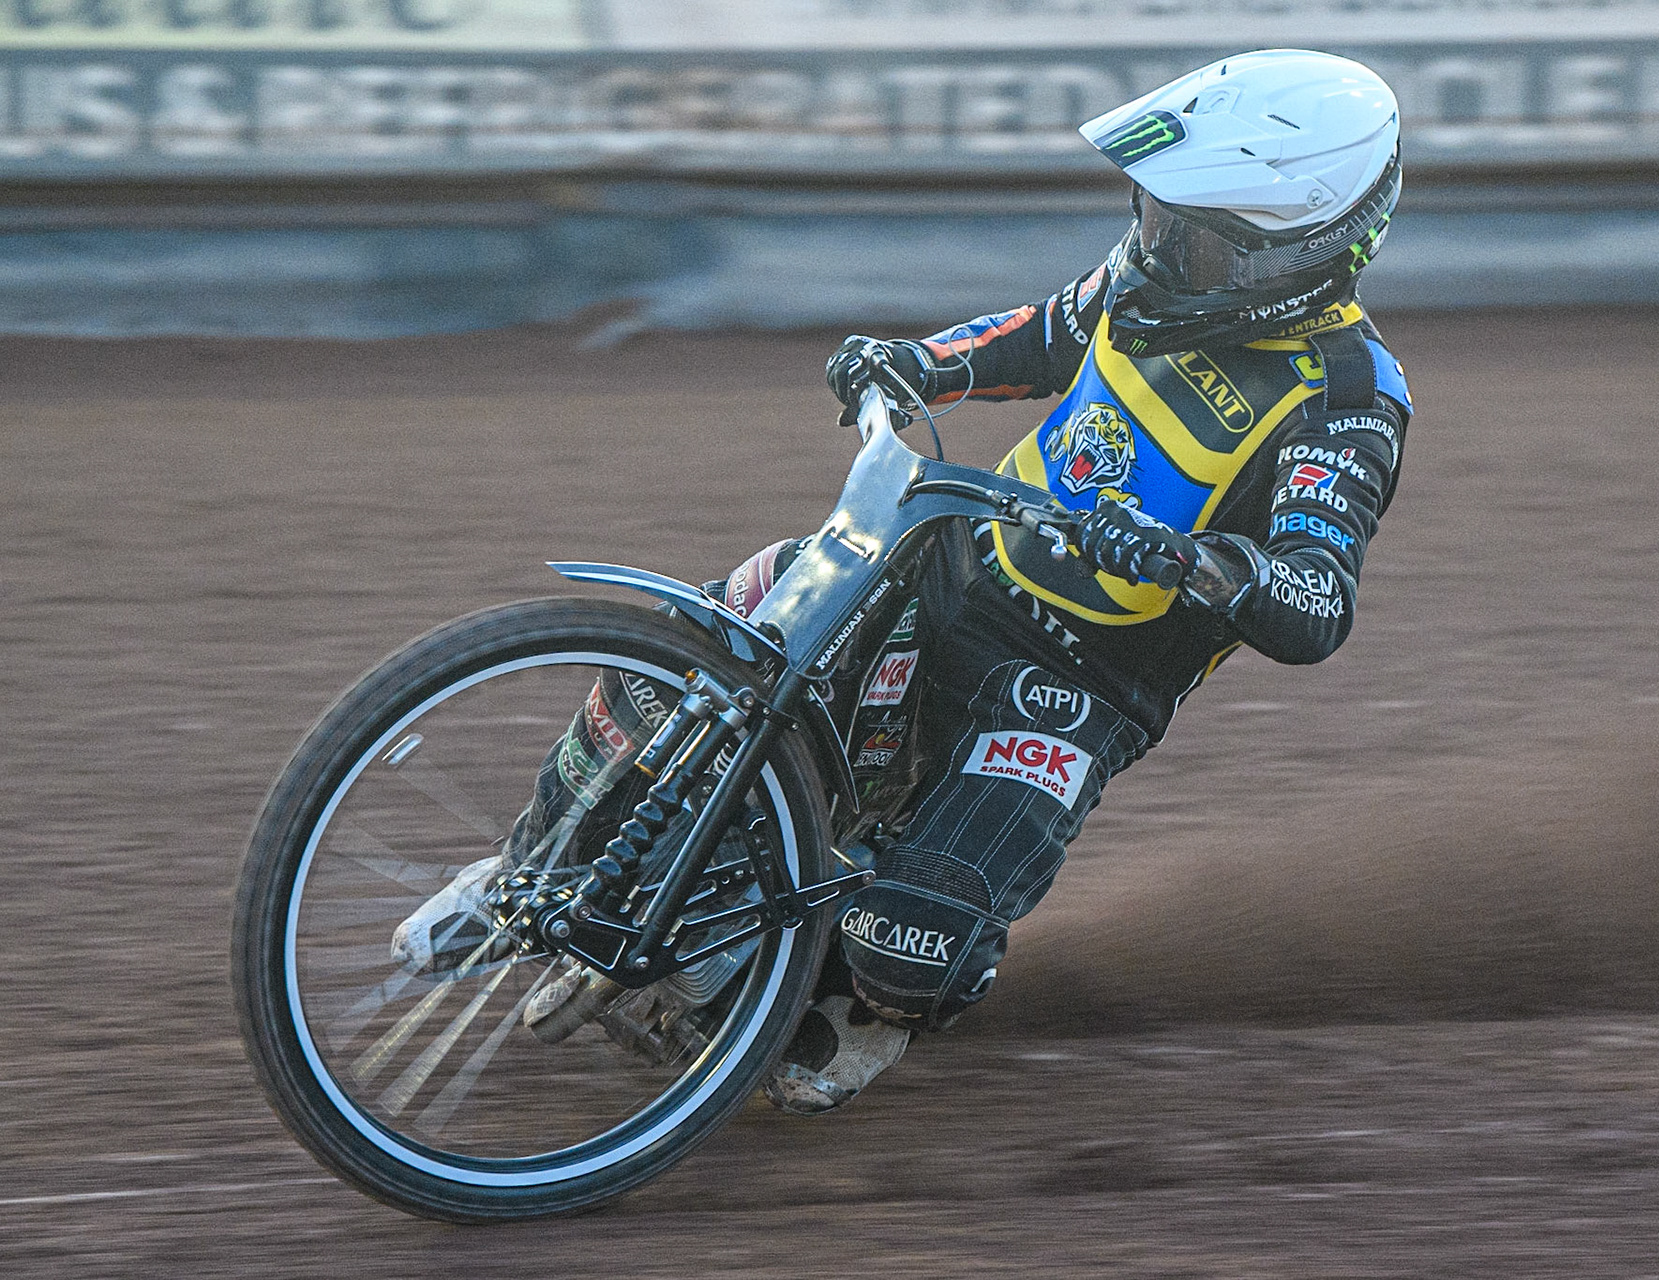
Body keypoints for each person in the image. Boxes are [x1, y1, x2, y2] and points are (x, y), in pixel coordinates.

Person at [396, 49, 1412, 1117]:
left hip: (1072, 688)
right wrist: (918, 363)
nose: (1157, 248)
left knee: (910, 940)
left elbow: (1315, 602)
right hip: (944, 555)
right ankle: (524, 873)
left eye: (1194, 237)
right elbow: (1052, 329)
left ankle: (848, 1005)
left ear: (1301, 251)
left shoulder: (1347, 398)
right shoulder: (1155, 281)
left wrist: (1186, 557)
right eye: (1154, 215)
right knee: (690, 662)